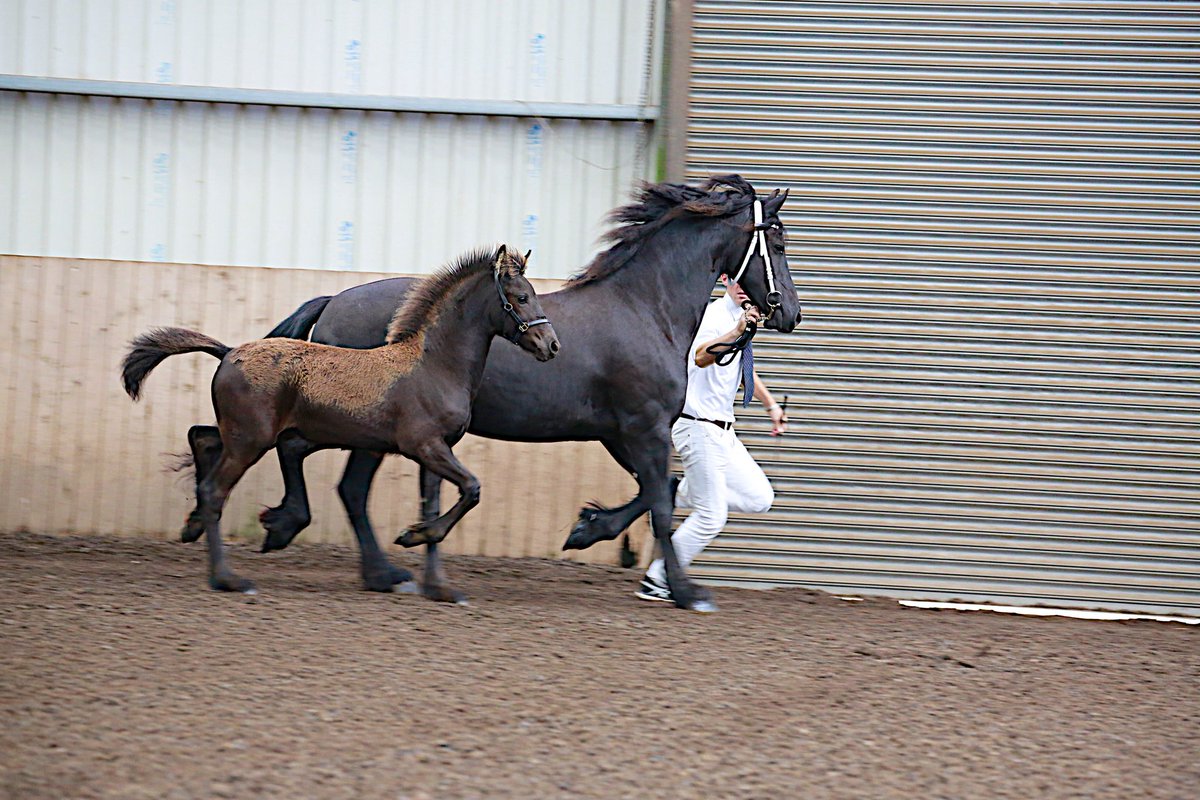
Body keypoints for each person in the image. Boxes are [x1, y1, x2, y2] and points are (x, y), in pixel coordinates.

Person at [637, 274, 789, 604]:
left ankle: (675, 493)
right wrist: (736, 331)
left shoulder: (741, 317)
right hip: (697, 425)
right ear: (724, 279)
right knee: (711, 515)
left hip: (724, 431)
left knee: (759, 497)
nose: (743, 287)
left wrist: (771, 406)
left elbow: (739, 367)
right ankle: (658, 578)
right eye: (736, 280)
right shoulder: (711, 315)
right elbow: (702, 356)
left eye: (747, 281)